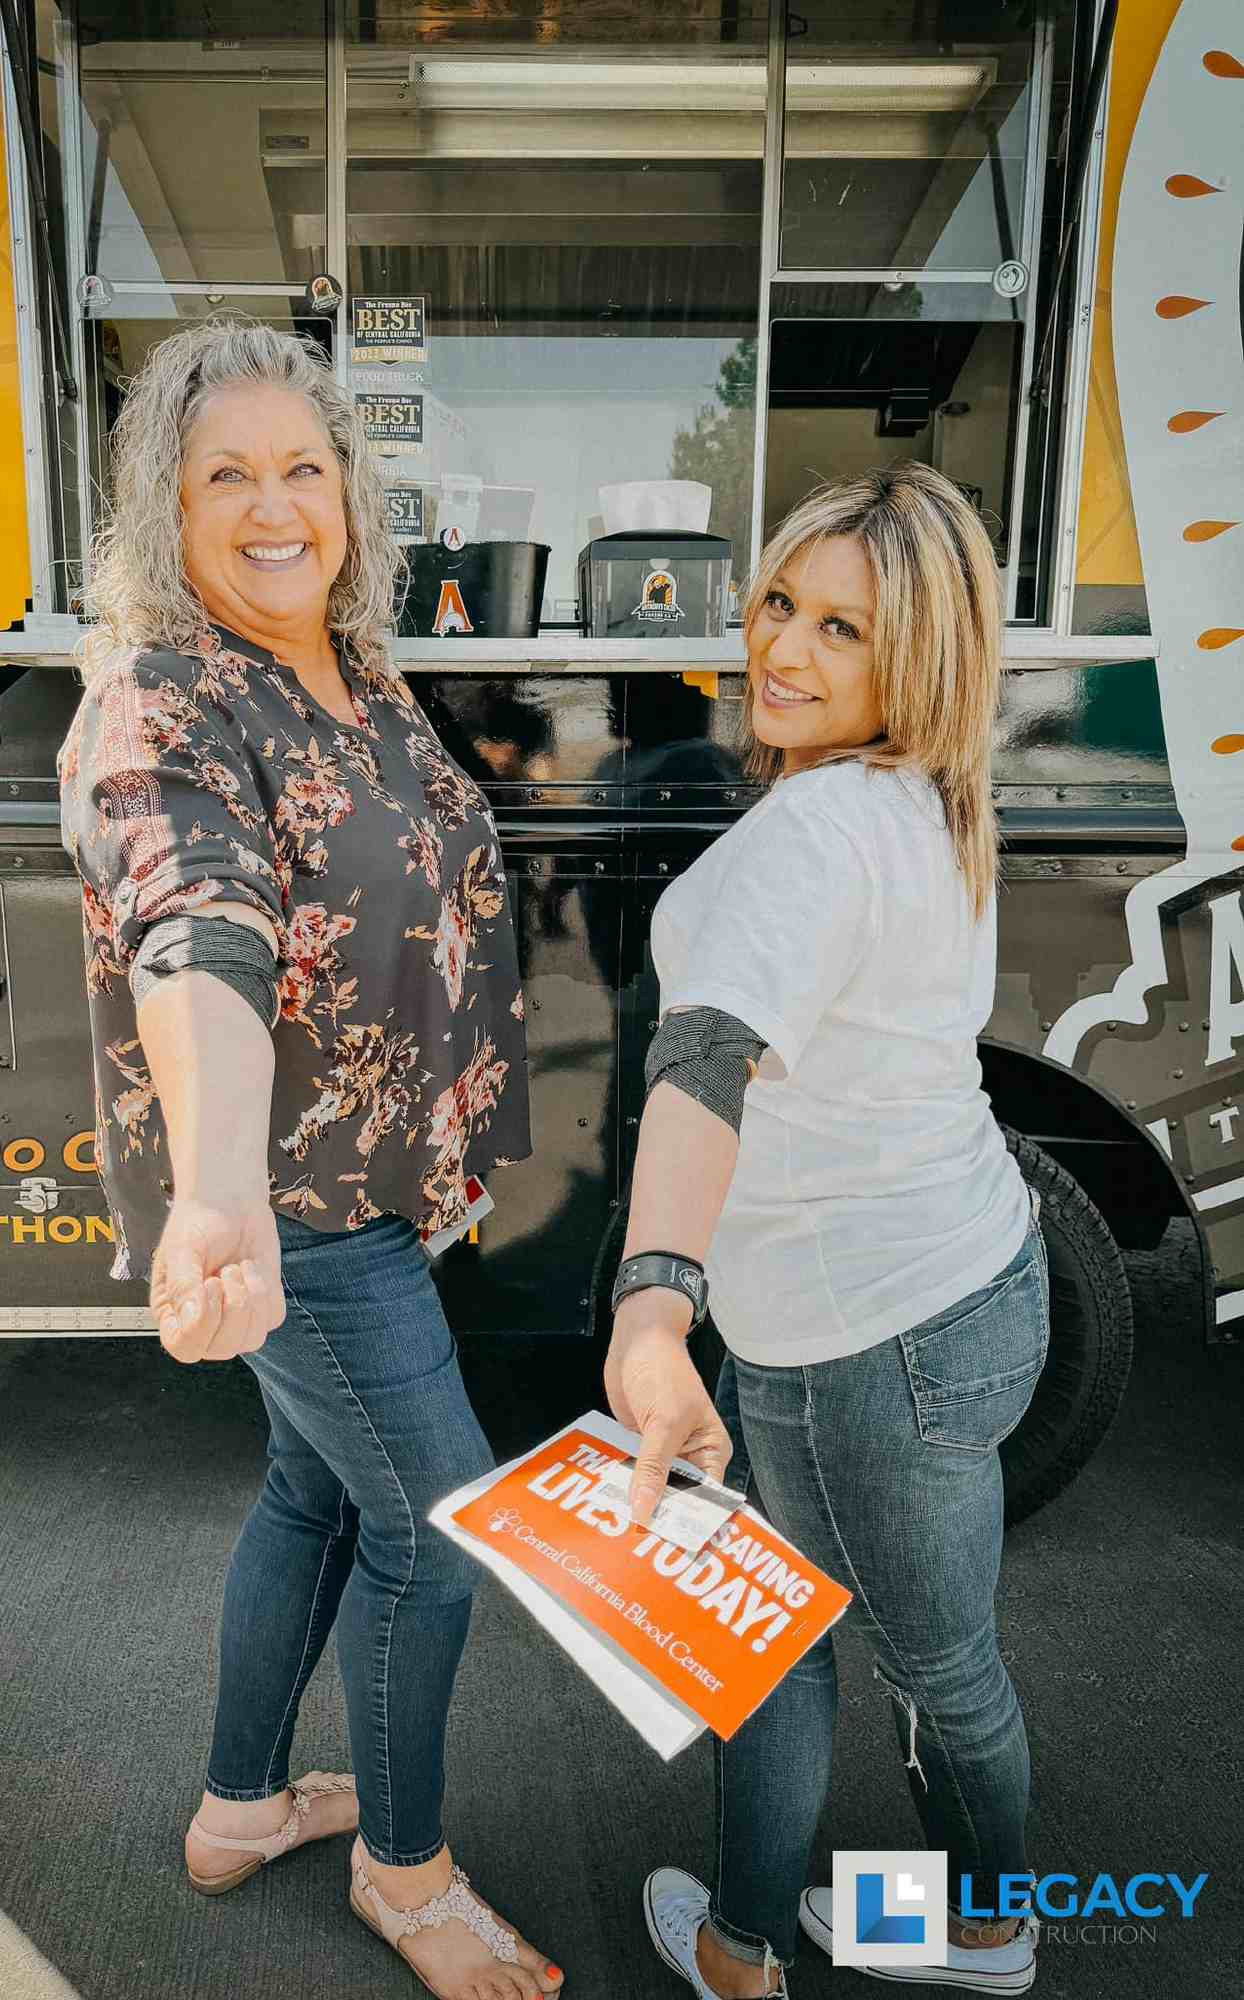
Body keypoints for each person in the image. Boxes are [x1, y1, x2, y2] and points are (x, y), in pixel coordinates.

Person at [58, 317, 563, 2000]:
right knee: (436, 1531)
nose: (274, 507)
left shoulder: (355, 673)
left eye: (302, 467)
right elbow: (197, 919)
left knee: (315, 1495)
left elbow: (418, 922)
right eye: (226, 476)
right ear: (166, 507)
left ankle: (241, 1806)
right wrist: (213, 1197)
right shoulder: (164, 698)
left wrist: (458, 1139)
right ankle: (404, 1878)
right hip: (293, 1213)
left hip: (381, 1191)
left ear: (350, 491)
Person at [606, 464, 1048, 1998]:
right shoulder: (927, 797)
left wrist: (652, 1309)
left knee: (895, 1662)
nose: (782, 651)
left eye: (841, 629)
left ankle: (961, 1939)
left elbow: (705, 1058)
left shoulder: (813, 833)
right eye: (780, 602)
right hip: (961, 1279)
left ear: (914, 656)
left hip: (872, 1332)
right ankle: (764, 1938)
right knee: (836, 1646)